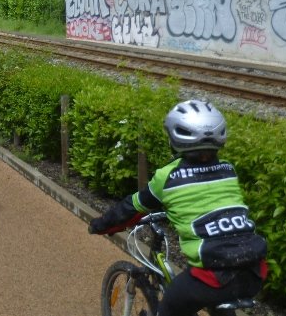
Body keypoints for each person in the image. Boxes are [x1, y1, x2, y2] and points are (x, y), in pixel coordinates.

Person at [88, 99, 267, 316]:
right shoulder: (228, 170)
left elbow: (130, 209)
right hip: (256, 271)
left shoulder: (168, 177)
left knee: (170, 308)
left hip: (211, 277)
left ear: (174, 140)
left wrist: (100, 225)